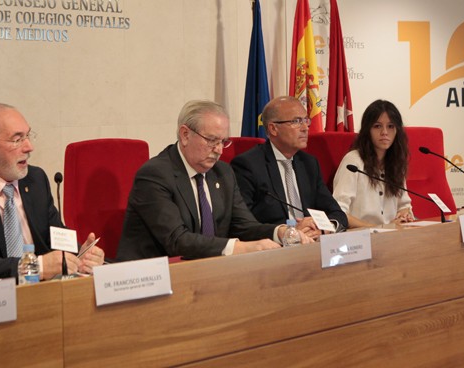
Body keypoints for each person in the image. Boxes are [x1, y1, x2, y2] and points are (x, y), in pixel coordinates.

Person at [0, 103, 105, 286]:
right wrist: (34, 267)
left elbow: (54, 237)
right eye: (17, 139)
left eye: (28, 136)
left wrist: (81, 254)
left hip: (41, 293)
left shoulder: (35, 179)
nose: (29, 147)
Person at [116, 100, 310, 261]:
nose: (219, 150)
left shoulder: (223, 172)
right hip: (153, 277)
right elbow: (177, 240)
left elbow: (244, 225)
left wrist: (282, 232)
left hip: (206, 271)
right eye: (211, 140)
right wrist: (240, 248)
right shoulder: (155, 175)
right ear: (185, 135)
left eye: (223, 142)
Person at [231, 96, 347, 237]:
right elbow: (243, 224)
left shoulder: (309, 164)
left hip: (312, 242)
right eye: (296, 121)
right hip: (274, 247)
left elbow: (336, 213)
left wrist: (325, 228)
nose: (305, 128)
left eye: (306, 120)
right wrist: (290, 231)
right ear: (273, 129)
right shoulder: (248, 165)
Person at [332, 99, 414, 228]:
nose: (385, 132)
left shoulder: (396, 161)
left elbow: (404, 205)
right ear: (367, 130)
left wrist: (404, 214)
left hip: (392, 237)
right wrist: (377, 228)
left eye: (390, 126)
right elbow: (339, 212)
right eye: (377, 126)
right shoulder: (353, 162)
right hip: (361, 238)